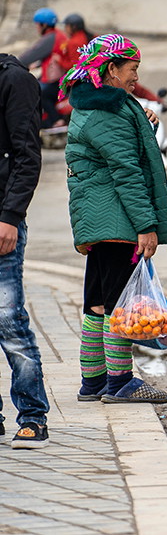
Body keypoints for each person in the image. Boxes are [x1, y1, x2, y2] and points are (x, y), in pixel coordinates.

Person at [61, 34, 167, 404]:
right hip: (115, 219)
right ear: (110, 69)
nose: (135, 77)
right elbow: (126, 172)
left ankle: (93, 381)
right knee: (117, 304)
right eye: (131, 70)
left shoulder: (101, 104)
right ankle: (120, 382)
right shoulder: (107, 114)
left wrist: (139, 115)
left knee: (97, 301)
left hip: (100, 219)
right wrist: (146, 226)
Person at [0, 53, 51, 448]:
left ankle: (33, 415)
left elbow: (27, 157)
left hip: (2, 222)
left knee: (9, 322)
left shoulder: (15, 80)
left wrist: (10, 217)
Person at [18, 7, 69, 130]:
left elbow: (28, 56)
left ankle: (56, 121)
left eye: (37, 25)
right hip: (62, 76)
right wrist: (38, 64)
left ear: (44, 24)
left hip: (58, 80)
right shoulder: (59, 35)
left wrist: (15, 62)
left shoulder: (50, 38)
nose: (37, 28)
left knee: (38, 91)